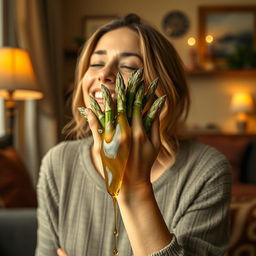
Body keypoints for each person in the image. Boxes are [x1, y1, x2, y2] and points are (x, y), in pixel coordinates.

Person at [35, 14, 231, 256]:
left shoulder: (207, 171)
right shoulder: (58, 163)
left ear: (163, 88)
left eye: (128, 66)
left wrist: (135, 186)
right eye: (96, 64)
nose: (104, 74)